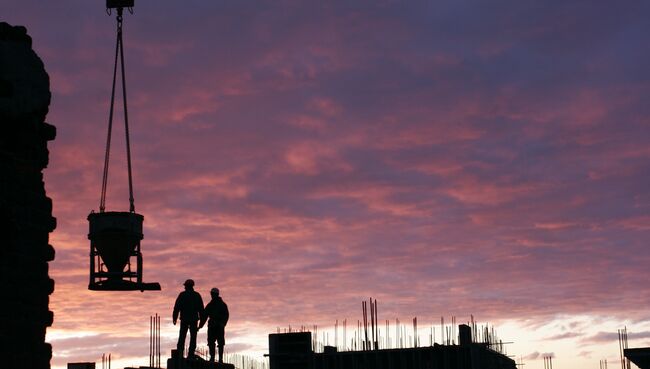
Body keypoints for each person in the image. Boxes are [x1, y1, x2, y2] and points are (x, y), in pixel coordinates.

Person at [173, 279, 204, 359]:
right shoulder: (197, 295)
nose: (185, 287)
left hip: (185, 319)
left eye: (185, 286)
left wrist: (174, 318)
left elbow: (177, 307)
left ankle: (180, 353)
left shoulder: (182, 295)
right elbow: (201, 310)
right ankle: (190, 354)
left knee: (182, 336)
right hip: (193, 320)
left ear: (187, 286)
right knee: (193, 337)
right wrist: (201, 323)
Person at [200, 287, 229, 363]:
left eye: (212, 294)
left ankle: (219, 358)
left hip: (217, 326)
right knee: (212, 342)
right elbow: (205, 316)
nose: (212, 295)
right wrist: (200, 326)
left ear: (215, 294)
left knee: (219, 343)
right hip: (214, 326)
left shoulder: (219, 305)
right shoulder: (214, 305)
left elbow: (226, 315)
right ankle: (214, 358)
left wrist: (222, 324)